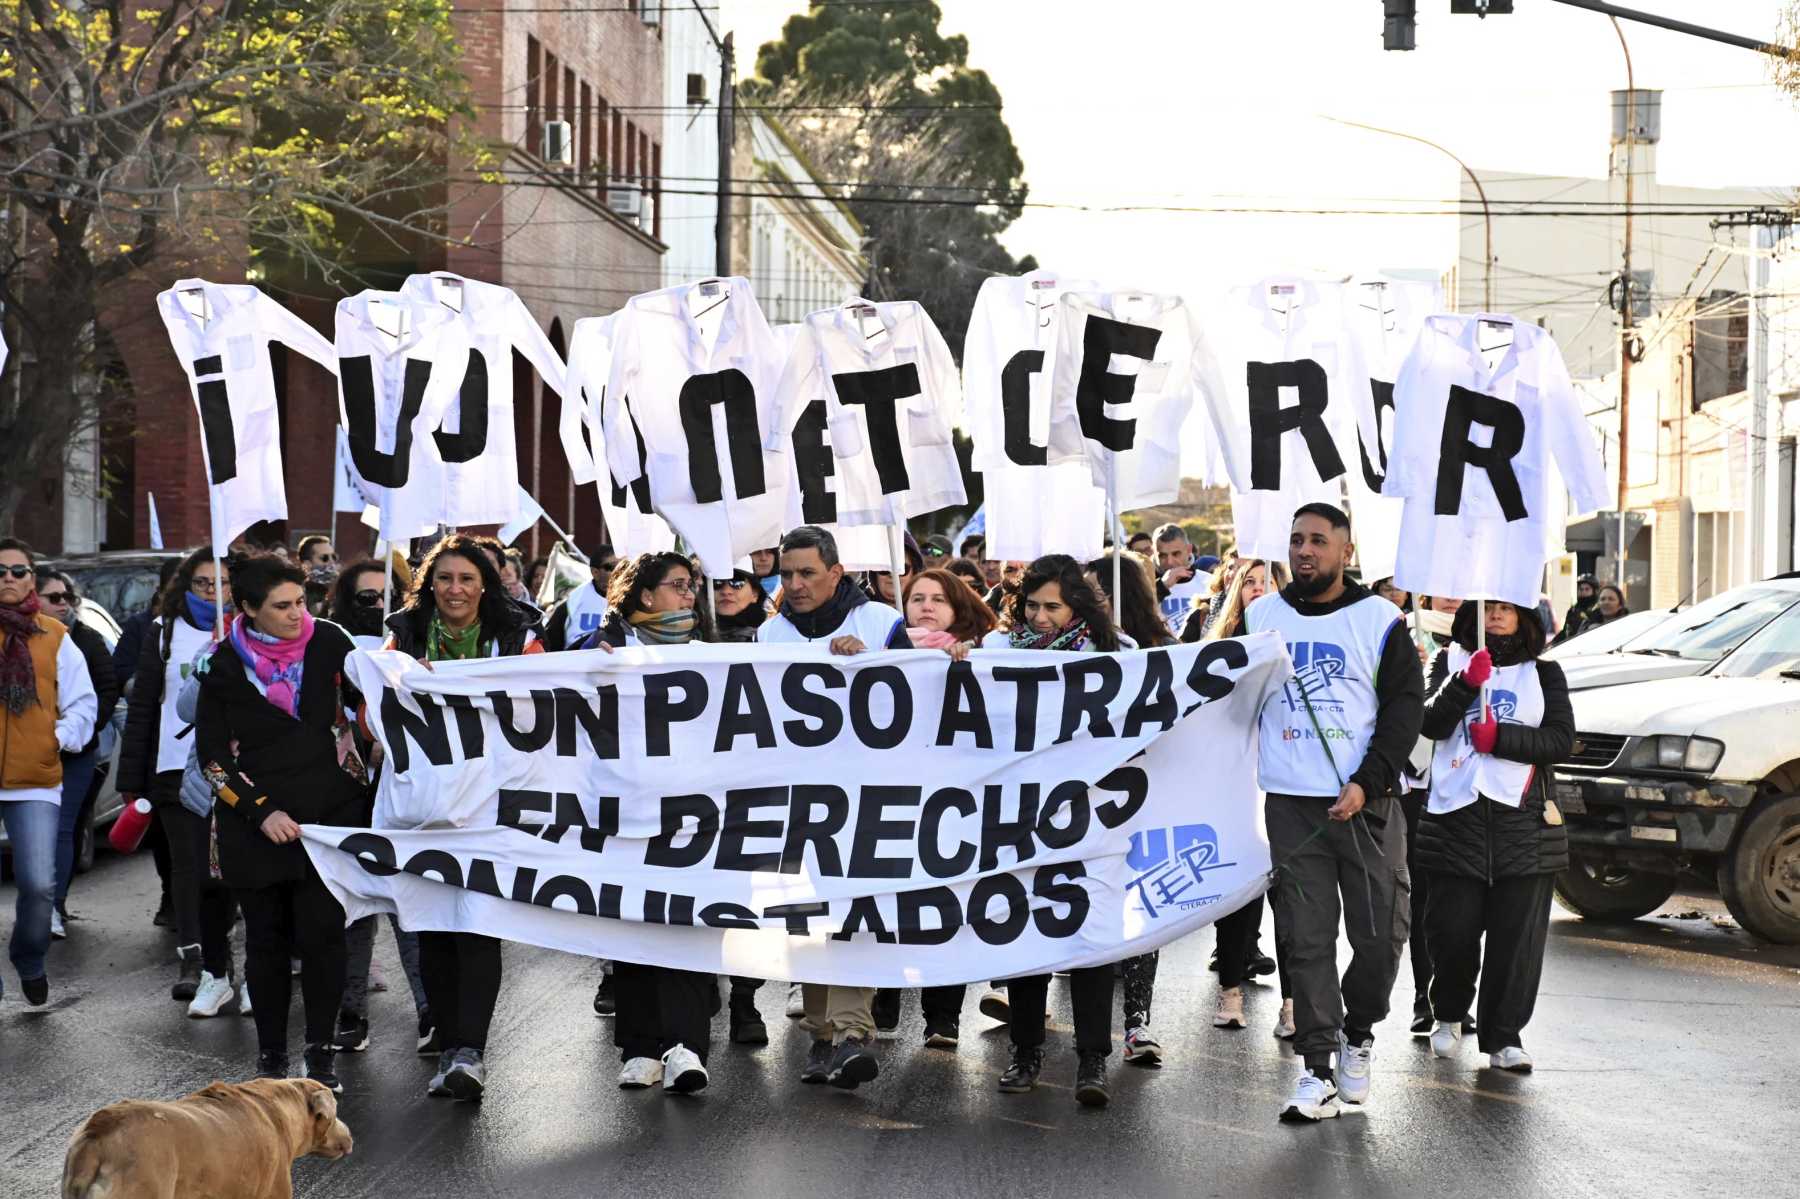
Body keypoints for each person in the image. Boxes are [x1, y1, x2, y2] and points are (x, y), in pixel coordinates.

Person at [1245, 504, 1422, 1124]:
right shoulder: (1260, 616)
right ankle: (1317, 1067)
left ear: (1346, 551)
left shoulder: (1379, 620)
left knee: (1380, 936)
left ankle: (1360, 1030)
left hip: (1365, 806)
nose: (1305, 551)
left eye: (1319, 541)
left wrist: (1367, 783)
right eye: (1296, 540)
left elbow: (1405, 711)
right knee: (1306, 938)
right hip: (1294, 807)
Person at [193, 553, 366, 1091]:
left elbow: (374, 708)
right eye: (282, 606)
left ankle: (320, 1057)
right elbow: (212, 760)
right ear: (248, 609)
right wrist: (260, 812)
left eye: (302, 602)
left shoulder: (332, 643)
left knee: (323, 938)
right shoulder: (220, 664)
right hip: (256, 826)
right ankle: (270, 1061)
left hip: (328, 821)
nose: (298, 614)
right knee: (265, 943)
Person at [384, 535, 543, 1101]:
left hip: (491, 804)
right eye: (444, 579)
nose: (455, 590)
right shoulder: (401, 633)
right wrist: (402, 678)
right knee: (430, 924)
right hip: (424, 805)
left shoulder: (520, 636)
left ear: (485, 586)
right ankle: (448, 1041)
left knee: (477, 922)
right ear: (430, 584)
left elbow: (545, 705)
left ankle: (469, 1052)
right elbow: (372, 706)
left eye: (467, 580)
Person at [758, 525, 906, 1090]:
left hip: (865, 800)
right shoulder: (769, 635)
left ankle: (851, 1033)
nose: (794, 584)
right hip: (794, 801)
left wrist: (870, 666)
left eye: (807, 573)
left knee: (851, 915)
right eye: (786, 574)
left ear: (836, 573)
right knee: (806, 917)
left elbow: (920, 701)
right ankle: (822, 1035)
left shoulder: (878, 624)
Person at [583, 552, 728, 1094]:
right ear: (644, 596)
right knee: (634, 928)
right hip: (625, 814)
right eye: (677, 586)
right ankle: (641, 1047)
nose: (689, 595)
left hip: (695, 816)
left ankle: (688, 1045)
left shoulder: (711, 658)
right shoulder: (599, 653)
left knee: (689, 927)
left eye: (692, 586)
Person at [983, 554, 1121, 1107]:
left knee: (1090, 940)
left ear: (1077, 606)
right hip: (1021, 818)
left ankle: (1093, 1060)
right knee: (1026, 935)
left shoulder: (1119, 657)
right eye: (1032, 606)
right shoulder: (995, 654)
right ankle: (1026, 1050)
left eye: (1053, 607)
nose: (1041, 617)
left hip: (1093, 820)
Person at [1417, 600, 1572, 1072]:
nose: (1498, 616)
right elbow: (1428, 724)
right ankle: (1446, 1014)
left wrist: (1501, 739)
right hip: (1455, 822)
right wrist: (1463, 684)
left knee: (1515, 942)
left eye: (1508, 609)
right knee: (1452, 934)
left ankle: (1503, 1036)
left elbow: (1560, 740)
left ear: (1526, 619)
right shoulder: (1447, 662)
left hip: (1523, 825)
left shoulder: (1545, 673)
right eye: (1490, 609)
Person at [870, 568, 1000, 1050]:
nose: (925, 606)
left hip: (956, 801)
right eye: (916, 597)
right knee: (889, 901)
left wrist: (968, 667)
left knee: (949, 906)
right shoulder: (885, 652)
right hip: (894, 798)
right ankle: (885, 992)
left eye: (938, 599)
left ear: (959, 607)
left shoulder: (984, 654)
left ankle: (943, 1016)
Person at [118, 548, 237, 1006]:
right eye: (203, 583)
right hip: (173, 766)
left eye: (222, 583)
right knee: (189, 871)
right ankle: (198, 960)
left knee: (230, 869)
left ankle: (230, 961)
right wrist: (133, 776)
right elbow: (145, 705)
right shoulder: (164, 633)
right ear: (185, 587)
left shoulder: (249, 631)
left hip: (234, 768)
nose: (214, 592)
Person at [327, 560, 432, 1057]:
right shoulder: (329, 646)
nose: (375, 606)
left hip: (403, 794)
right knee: (354, 906)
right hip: (346, 795)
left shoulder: (415, 643)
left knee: (407, 903)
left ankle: (430, 1009)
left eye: (383, 595)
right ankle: (351, 1010)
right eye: (364, 597)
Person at [1085, 551, 1175, 1067]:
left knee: (1141, 907)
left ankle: (1137, 1023)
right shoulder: (1073, 648)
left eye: (1099, 592)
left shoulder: (1162, 652)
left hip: (1142, 800)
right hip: (1086, 805)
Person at [1200, 560, 1295, 1037]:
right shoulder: (1219, 649)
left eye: (1269, 582)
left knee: (1293, 902)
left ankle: (1294, 1004)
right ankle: (1230, 993)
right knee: (1238, 898)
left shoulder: (1299, 641)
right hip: (1235, 789)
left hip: (1289, 787)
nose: (1259, 590)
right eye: (1250, 583)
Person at [0, 540, 97, 1006]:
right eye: (0, 571)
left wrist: (56, 737)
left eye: (19, 570)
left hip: (35, 777)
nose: (9, 578)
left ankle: (30, 958)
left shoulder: (55, 635)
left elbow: (83, 703)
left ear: (32, 578)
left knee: (38, 885)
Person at [33, 569, 120, 938]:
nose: (63, 603)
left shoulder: (85, 640)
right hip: (23, 754)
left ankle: (53, 906)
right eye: (54, 597)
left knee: (61, 829)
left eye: (67, 596)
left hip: (76, 754)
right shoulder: (18, 639)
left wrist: (85, 729)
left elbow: (106, 689)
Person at [112, 556, 182, 930]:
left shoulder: (222, 629)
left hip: (205, 748)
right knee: (163, 832)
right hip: (158, 746)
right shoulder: (144, 628)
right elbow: (121, 672)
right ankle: (171, 894)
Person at [542, 545, 617, 651]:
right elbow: (550, 649)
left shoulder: (636, 602)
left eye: (624, 566)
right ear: (595, 573)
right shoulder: (571, 604)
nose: (620, 571)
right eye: (613, 567)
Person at [709, 570, 767, 643]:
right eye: (717, 583)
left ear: (755, 594)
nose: (726, 591)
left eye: (737, 582)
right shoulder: (695, 635)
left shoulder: (768, 635)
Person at [297, 536, 338, 617]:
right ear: (307, 565)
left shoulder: (342, 588)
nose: (331, 562)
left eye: (334, 557)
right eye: (324, 558)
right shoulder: (298, 594)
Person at [1553, 574, 1599, 644]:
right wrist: (1553, 643)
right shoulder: (1573, 610)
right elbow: (1565, 631)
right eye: (1581, 589)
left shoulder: (1598, 610)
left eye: (1587, 589)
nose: (1583, 592)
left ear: (1594, 591)